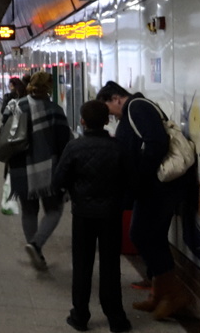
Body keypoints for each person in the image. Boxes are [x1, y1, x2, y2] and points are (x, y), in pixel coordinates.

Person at [96, 81, 190, 319]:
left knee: (144, 234)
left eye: (109, 109)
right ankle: (159, 295)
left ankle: (173, 295)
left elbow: (156, 142)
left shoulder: (138, 108)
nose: (112, 116)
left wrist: (140, 176)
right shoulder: (133, 111)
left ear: (116, 98)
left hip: (158, 186)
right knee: (147, 235)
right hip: (151, 187)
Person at [53, 101, 131, 332]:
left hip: (83, 214)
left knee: (82, 265)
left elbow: (58, 180)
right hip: (111, 215)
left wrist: (76, 191)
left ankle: (80, 316)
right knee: (110, 265)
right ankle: (116, 318)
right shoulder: (119, 147)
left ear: (82, 121)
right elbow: (131, 180)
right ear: (108, 121)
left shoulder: (74, 148)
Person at [6, 71, 71, 270]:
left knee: (29, 210)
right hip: (49, 170)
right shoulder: (55, 110)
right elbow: (64, 144)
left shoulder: (16, 107)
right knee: (54, 209)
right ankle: (36, 244)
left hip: (20, 168)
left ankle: (37, 251)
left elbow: (5, 135)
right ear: (49, 89)